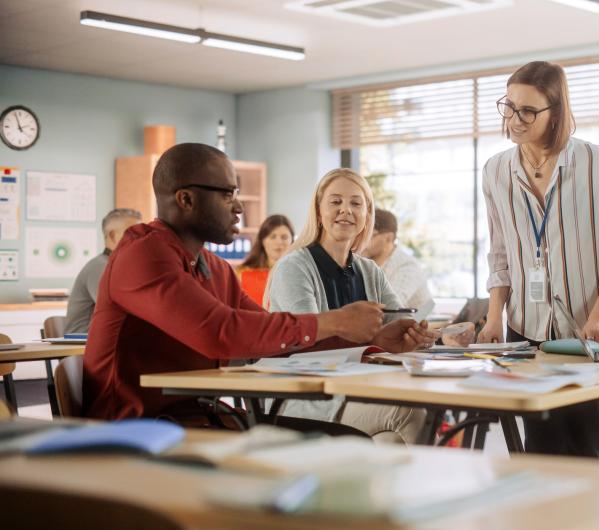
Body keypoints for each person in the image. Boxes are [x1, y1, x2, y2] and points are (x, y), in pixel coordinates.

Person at [83, 143, 432, 422]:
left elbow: (273, 335)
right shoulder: (143, 254)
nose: (238, 207)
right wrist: (337, 320)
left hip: (195, 415)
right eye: (227, 194)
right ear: (186, 199)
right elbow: (219, 332)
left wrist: (372, 342)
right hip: (133, 426)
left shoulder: (214, 268)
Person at [478, 61, 599, 457]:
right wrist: (494, 316)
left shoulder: (596, 161)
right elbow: (500, 251)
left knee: (583, 446)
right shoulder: (496, 170)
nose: (515, 119)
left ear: (556, 113)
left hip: (588, 330)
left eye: (528, 111)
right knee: (538, 449)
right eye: (509, 106)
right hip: (525, 327)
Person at [267, 169, 438, 444]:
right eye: (335, 202)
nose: (346, 210)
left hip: (358, 390)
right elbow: (306, 343)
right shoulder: (294, 267)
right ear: (319, 210)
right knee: (409, 413)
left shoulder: (369, 270)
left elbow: (397, 323)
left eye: (356, 203)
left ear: (366, 215)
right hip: (306, 398)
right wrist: (376, 341)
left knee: (391, 441)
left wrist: (413, 336)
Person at [64, 208, 142, 334]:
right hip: (83, 346)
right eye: (133, 234)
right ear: (112, 235)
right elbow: (119, 310)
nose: (140, 240)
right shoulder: (100, 267)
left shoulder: (119, 267)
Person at [361, 208, 435, 318]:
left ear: (388, 238)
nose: (363, 241)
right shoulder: (367, 264)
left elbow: (389, 308)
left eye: (370, 235)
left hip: (417, 330)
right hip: (390, 328)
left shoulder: (407, 267)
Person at [236, 214, 294, 305]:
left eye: (284, 237)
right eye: (272, 237)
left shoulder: (299, 274)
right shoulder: (242, 273)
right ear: (262, 241)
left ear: (292, 241)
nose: (279, 242)